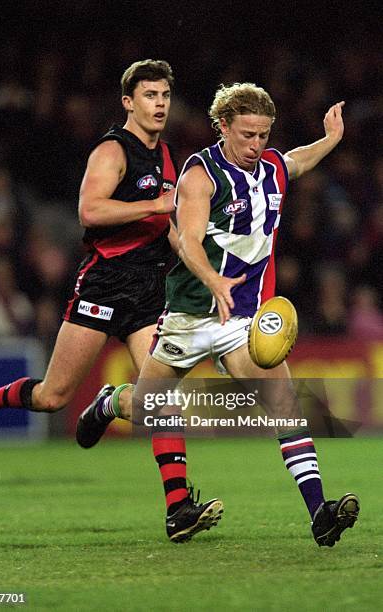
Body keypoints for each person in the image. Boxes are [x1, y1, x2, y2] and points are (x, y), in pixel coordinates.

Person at [78, 82, 360, 545]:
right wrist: (212, 280)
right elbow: (187, 239)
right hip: (189, 317)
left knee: (286, 409)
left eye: (264, 135)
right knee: (149, 407)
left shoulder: (271, 167)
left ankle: (320, 513)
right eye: (247, 134)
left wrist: (330, 140)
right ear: (223, 126)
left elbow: (297, 160)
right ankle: (111, 402)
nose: (256, 145)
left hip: (243, 321)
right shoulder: (200, 175)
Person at [0, 60, 178, 427]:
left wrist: (204, 271)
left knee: (161, 402)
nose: (160, 103)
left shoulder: (165, 155)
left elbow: (166, 225)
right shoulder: (113, 151)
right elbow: (90, 210)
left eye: (165, 95)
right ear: (128, 102)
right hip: (105, 283)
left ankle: (175, 484)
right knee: (52, 396)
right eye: (150, 95)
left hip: (149, 288)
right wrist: (154, 204)